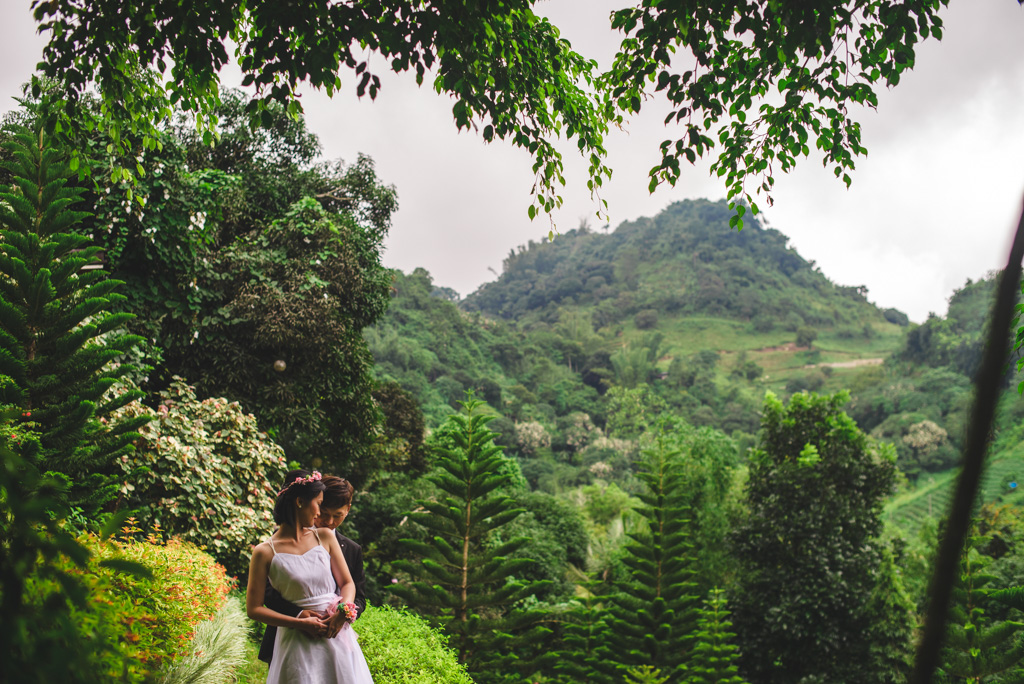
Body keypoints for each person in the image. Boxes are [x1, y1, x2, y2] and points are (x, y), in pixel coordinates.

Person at [246, 470, 374, 683]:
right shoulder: (264, 552)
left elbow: (349, 584)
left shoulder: (325, 537)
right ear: (299, 502)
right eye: (320, 505)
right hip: (295, 637)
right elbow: (255, 607)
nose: (323, 517)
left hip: (336, 637)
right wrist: (299, 620)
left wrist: (343, 611)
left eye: (336, 514)